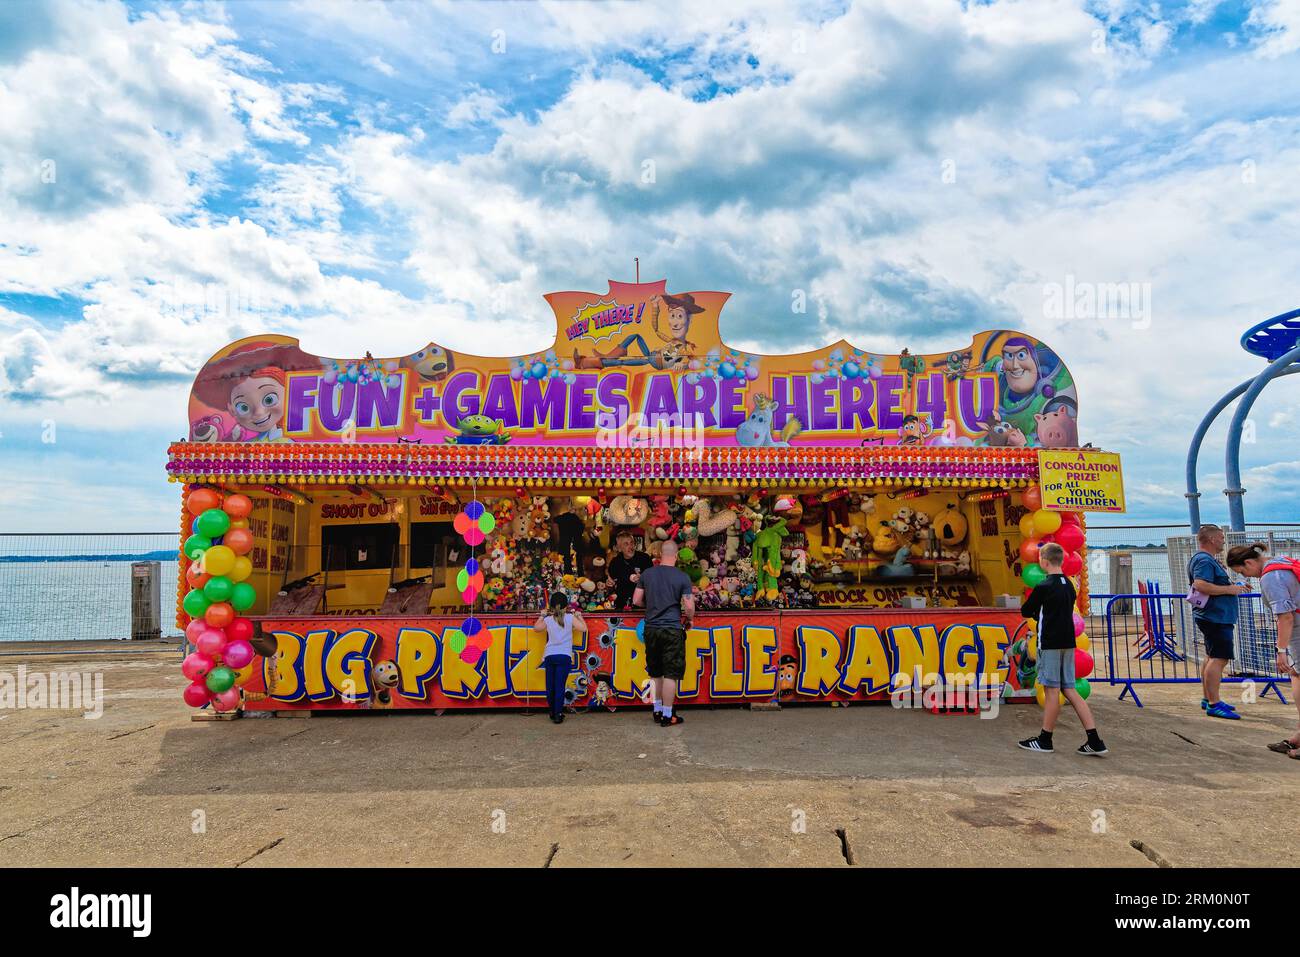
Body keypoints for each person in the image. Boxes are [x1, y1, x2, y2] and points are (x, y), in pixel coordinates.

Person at [1018, 543, 1108, 756]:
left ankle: (1045, 739)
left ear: (1043, 561)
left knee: (1051, 691)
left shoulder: (1044, 586)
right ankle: (1094, 739)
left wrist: (1035, 613)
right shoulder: (1069, 585)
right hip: (1068, 642)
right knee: (1069, 689)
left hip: (1049, 643)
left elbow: (1026, 610)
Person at [1226, 543, 1300, 758]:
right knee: (1296, 675)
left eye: (1243, 572)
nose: (1247, 577)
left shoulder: (1270, 577)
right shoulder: (1283, 562)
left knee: (1297, 675)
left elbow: (1285, 616)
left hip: (1297, 632)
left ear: (1249, 562)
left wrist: (1281, 650)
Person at [1189, 524, 1250, 719]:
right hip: (1215, 616)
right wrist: (1229, 590)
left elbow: (1210, 583)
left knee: (1211, 656)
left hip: (1213, 615)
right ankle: (1214, 703)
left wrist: (1234, 586)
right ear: (1213, 539)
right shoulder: (1204, 560)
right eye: (1222, 537)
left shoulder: (1205, 560)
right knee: (1219, 658)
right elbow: (1200, 584)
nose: (1224, 540)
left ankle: (1209, 698)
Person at [633, 539, 695, 727]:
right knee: (670, 675)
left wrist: (651, 605)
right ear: (676, 556)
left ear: (660, 555)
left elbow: (636, 600)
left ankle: (657, 710)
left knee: (655, 673)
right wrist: (689, 618)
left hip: (651, 629)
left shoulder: (647, 574)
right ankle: (668, 716)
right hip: (672, 630)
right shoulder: (682, 577)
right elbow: (689, 605)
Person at [533, 592, 586, 724]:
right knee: (559, 686)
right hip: (564, 656)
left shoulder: (548, 619)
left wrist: (541, 616)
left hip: (550, 655)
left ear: (551, 606)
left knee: (550, 686)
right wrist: (579, 616)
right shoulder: (569, 618)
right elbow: (583, 628)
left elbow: (536, 628)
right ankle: (558, 714)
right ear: (566, 606)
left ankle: (552, 712)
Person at [607, 531, 652, 610]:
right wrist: (609, 583)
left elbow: (652, 579)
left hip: (641, 604)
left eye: (632, 543)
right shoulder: (615, 562)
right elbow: (612, 581)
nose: (631, 547)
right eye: (626, 544)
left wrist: (642, 578)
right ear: (619, 548)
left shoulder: (645, 558)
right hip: (621, 604)